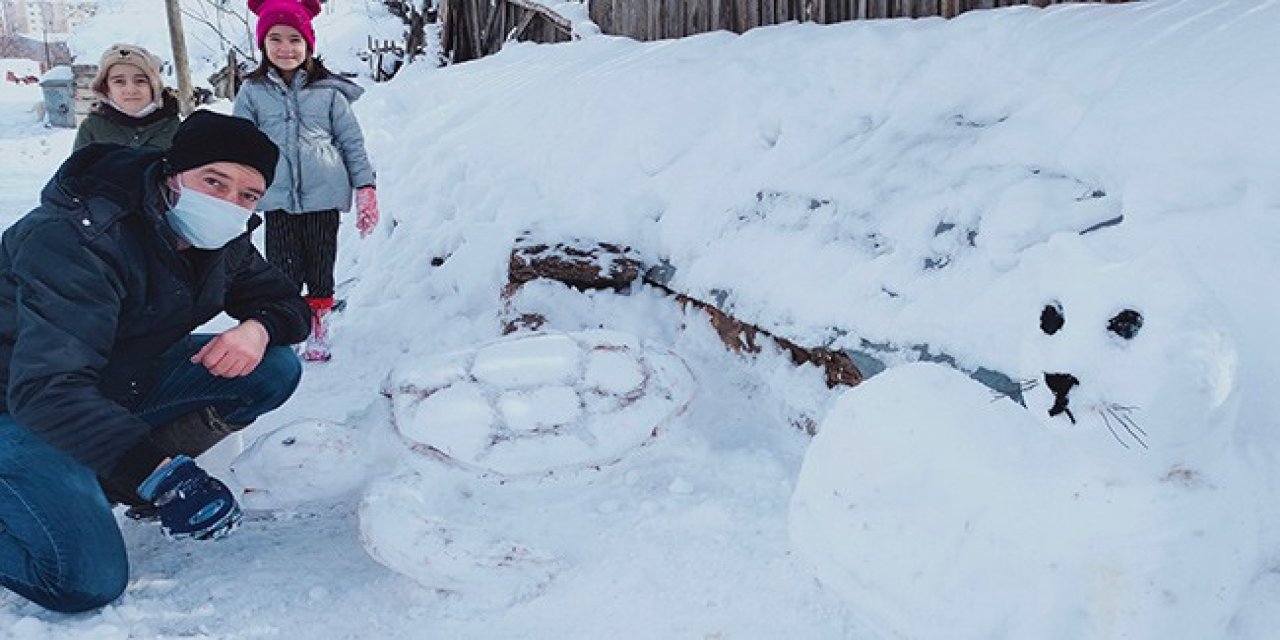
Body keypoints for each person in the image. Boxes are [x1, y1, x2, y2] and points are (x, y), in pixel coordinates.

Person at [0, 110, 311, 613]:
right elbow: (45, 389)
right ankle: (125, 473)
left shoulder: (221, 239)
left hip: (105, 385)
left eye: (248, 195)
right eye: (214, 181)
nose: (229, 203)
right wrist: (162, 474)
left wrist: (258, 328)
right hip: (20, 404)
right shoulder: (77, 238)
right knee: (83, 580)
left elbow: (287, 304)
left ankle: (113, 476)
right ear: (172, 175)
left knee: (272, 367)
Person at [234, 0, 380, 363]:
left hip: (324, 194)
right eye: (276, 39)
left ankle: (318, 325)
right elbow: (239, 145)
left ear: (309, 44)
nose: (286, 49)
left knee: (319, 264)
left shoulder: (329, 92)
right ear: (263, 46)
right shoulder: (251, 92)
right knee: (282, 269)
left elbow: (351, 141)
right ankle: (290, 324)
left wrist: (366, 187)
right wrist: (238, 191)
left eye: (295, 39)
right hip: (276, 198)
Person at [73, 43, 181, 152]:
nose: (130, 90)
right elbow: (77, 167)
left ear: (153, 86)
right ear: (106, 88)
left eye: (140, 81)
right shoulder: (92, 128)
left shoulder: (172, 126)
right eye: (119, 81)